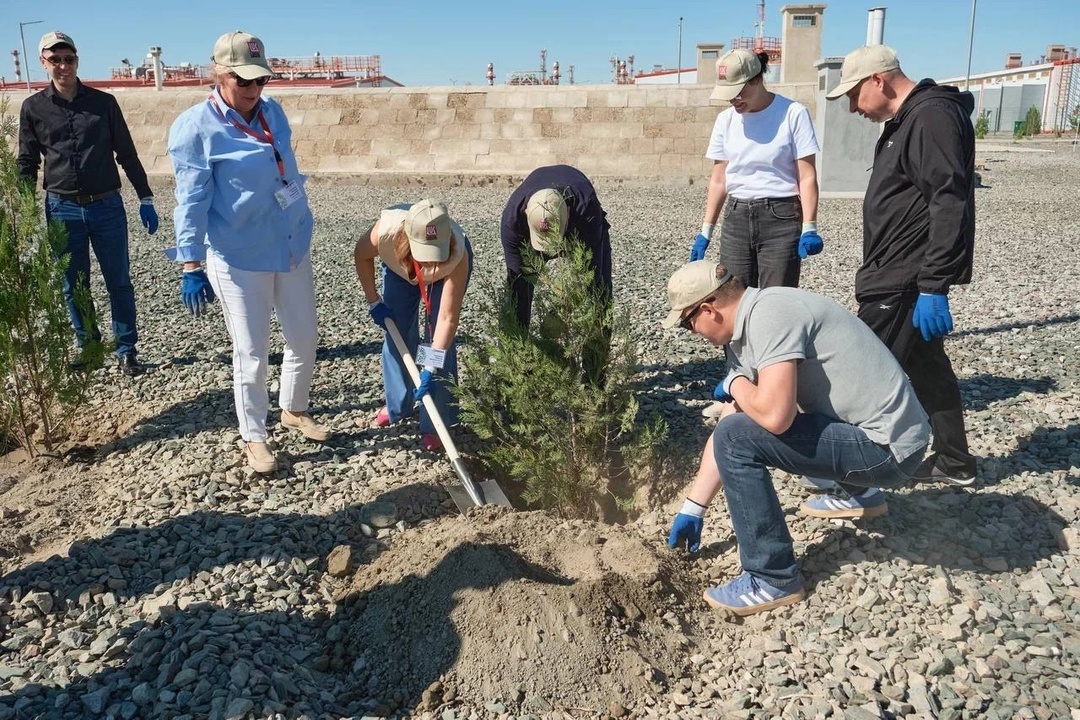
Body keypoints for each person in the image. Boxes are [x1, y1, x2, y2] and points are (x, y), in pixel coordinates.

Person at [663, 261, 929, 616]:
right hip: (888, 436)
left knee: (749, 431)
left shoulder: (771, 317)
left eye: (687, 323)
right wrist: (694, 507)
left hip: (889, 451)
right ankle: (860, 493)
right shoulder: (751, 324)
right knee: (745, 424)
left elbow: (771, 418)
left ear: (709, 309)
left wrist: (735, 384)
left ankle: (771, 578)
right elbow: (734, 416)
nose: (692, 331)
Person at [167, 30, 330, 475]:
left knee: (304, 337)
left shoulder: (272, 112)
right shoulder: (196, 128)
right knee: (252, 352)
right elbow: (192, 200)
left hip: (291, 243)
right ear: (219, 75)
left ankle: (294, 409)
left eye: (261, 81)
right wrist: (190, 262)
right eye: (244, 82)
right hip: (239, 256)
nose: (254, 91)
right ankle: (254, 437)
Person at [826, 45, 977, 486]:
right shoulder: (908, 120)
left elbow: (948, 199)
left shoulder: (930, 117)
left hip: (904, 278)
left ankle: (855, 482)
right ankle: (954, 461)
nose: (852, 107)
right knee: (928, 367)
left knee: (861, 373)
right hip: (897, 272)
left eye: (854, 95)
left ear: (879, 79)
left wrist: (933, 285)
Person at [17, 30, 159, 376]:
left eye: (69, 59)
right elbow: (26, 162)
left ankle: (127, 350)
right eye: (55, 59)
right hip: (62, 208)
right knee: (73, 284)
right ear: (43, 63)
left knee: (119, 281)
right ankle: (91, 348)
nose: (63, 65)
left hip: (107, 206)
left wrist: (145, 196)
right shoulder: (33, 108)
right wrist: (21, 210)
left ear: (77, 60)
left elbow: (125, 152)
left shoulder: (104, 103)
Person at [690, 49, 822, 289]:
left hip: (780, 217)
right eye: (729, 95)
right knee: (733, 297)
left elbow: (807, 175)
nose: (734, 100)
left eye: (738, 92)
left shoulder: (793, 114)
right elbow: (719, 180)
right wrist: (705, 231)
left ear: (757, 79)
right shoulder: (725, 121)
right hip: (736, 217)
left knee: (777, 300)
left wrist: (809, 226)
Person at [354, 199, 473, 452]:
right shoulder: (385, 234)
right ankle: (399, 404)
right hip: (401, 268)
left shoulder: (457, 254)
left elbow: (446, 319)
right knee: (396, 329)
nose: (430, 265)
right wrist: (373, 300)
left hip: (446, 276)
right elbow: (360, 255)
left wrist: (429, 365)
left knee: (438, 345)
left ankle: (437, 421)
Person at [499, 165, 612, 329]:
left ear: (567, 211)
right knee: (517, 293)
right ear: (526, 213)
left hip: (580, 228)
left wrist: (560, 312)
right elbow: (517, 280)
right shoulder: (513, 220)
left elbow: (590, 275)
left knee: (599, 292)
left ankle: (596, 352)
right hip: (528, 233)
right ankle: (514, 351)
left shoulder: (586, 209)